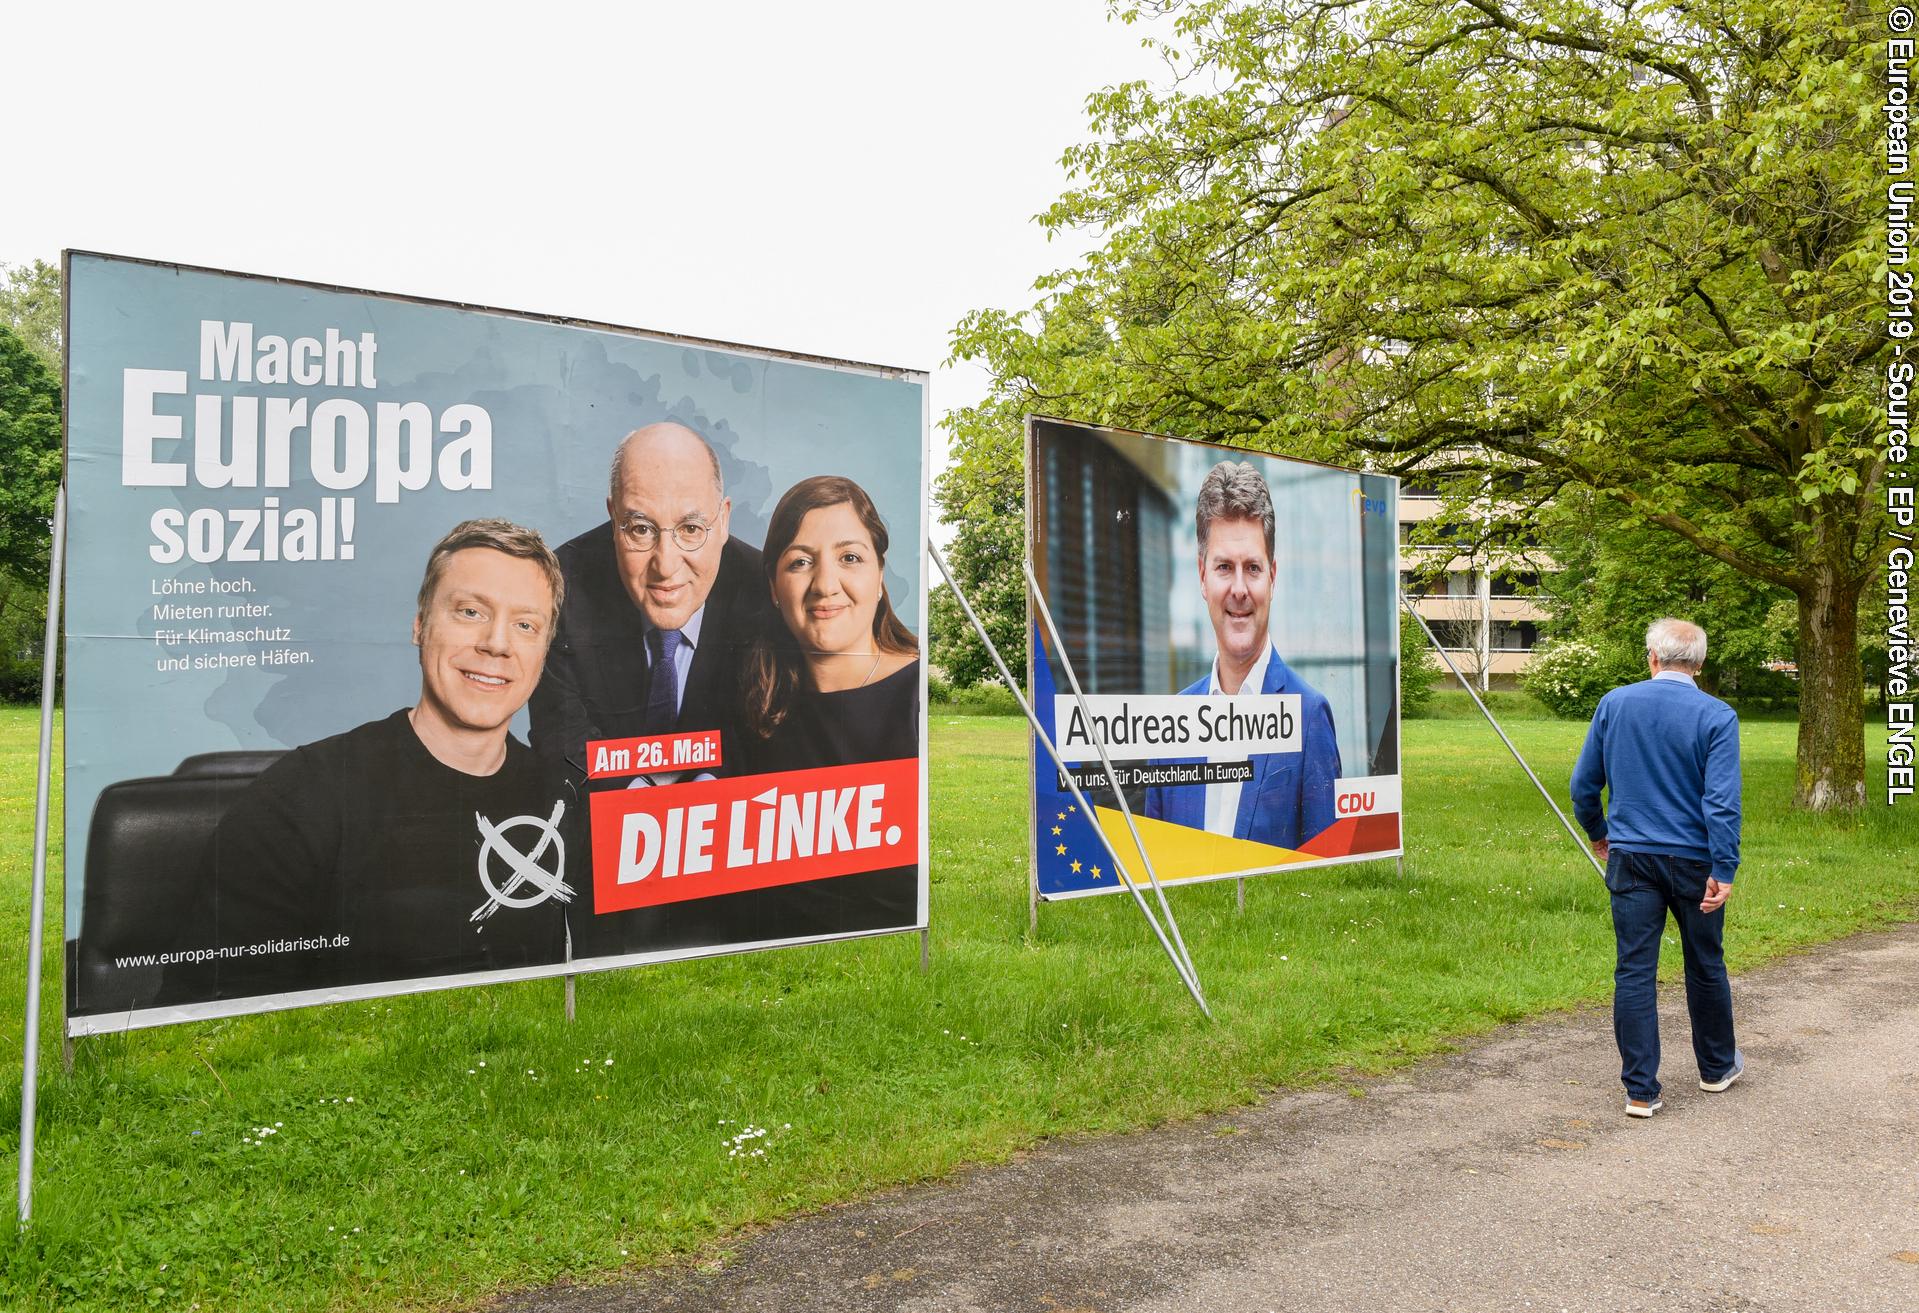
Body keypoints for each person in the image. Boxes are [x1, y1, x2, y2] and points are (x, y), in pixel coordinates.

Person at [196, 519, 571, 997]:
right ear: (420, 625)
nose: (496, 644)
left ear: (544, 650)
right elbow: (214, 1010)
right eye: (471, 612)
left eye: (525, 625)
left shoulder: (566, 798)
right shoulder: (301, 797)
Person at [528, 422, 771, 787]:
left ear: (723, 520)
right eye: (641, 528)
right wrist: (645, 816)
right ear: (614, 519)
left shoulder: (767, 593)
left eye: (691, 529)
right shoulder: (559, 587)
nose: (666, 565)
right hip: (602, 820)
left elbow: (770, 742)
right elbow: (561, 742)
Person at [1571, 617, 1744, 1118]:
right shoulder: (1717, 715)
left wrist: (1599, 832)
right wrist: (1725, 865)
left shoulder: (1615, 704)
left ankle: (1640, 1090)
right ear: (1701, 663)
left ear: (1652, 656)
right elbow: (1722, 802)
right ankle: (1716, 1069)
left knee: (1635, 969)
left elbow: (1584, 785)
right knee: (1705, 962)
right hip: (1695, 859)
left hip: (1632, 856)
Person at [1143, 460, 1340, 848]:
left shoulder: (1309, 715)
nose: (1238, 589)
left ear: (1273, 576)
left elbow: (1327, 882)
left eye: (1252, 567)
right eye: (1223, 568)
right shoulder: (1169, 726)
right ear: (1202, 577)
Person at [739, 475, 920, 772]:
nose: (824, 586)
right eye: (800, 562)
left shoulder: (919, 697)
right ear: (774, 586)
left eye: (849, 557)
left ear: (879, 576)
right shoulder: (760, 709)